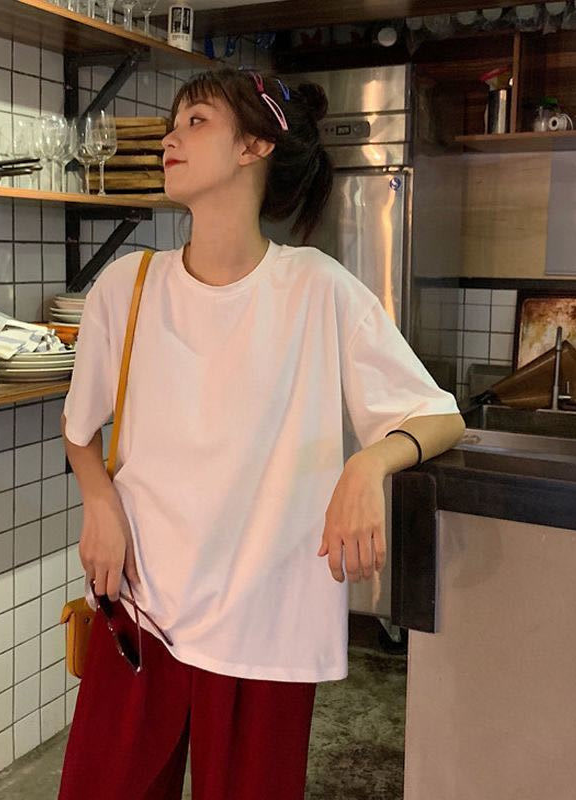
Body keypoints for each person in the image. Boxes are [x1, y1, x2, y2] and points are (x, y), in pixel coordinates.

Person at [57, 67, 465, 800]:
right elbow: (79, 432)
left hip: (265, 624)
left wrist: (368, 465)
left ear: (254, 147)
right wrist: (98, 502)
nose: (170, 138)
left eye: (196, 121)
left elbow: (438, 414)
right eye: (174, 123)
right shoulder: (127, 286)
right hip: (139, 608)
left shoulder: (316, 288)